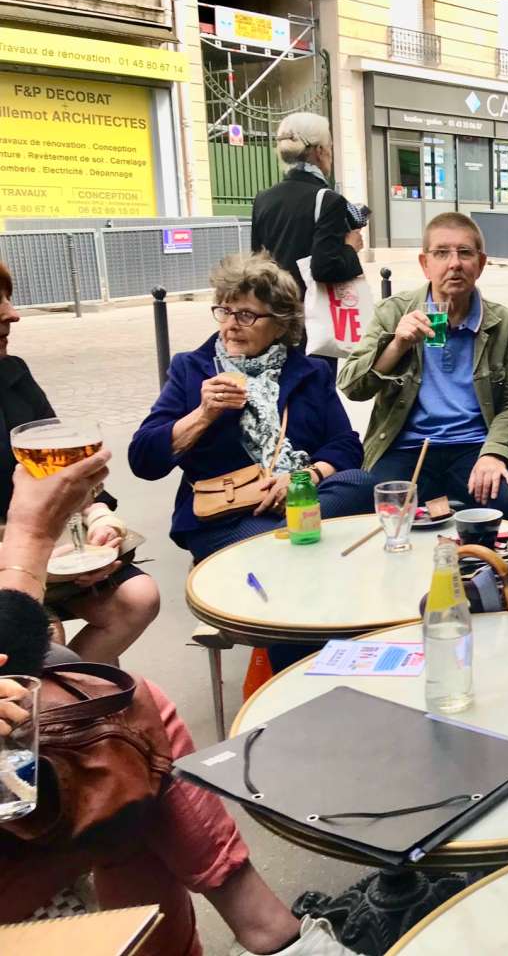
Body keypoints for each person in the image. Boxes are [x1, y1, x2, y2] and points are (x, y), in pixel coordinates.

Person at [0, 453, 358, 956]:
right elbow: (151, 455)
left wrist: (96, 520)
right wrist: (29, 539)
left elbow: (345, 449)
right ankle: (270, 930)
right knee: (124, 728)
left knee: (122, 751)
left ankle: (265, 930)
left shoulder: (19, 404)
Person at [129, 252, 370, 565]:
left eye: (246, 315)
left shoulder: (310, 372)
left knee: (363, 484)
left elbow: (345, 445)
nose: (231, 325)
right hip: (226, 514)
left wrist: (304, 478)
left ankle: (294, 535)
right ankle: (296, 539)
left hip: (302, 499)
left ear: (280, 324)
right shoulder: (191, 369)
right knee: (289, 544)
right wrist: (202, 415)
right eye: (224, 311)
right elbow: (143, 459)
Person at [339, 213, 508, 529]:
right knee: (367, 507)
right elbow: (352, 387)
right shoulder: (394, 312)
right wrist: (396, 346)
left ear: (481, 263)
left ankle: (491, 561)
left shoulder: (501, 322)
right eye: (442, 253)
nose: (454, 263)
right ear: (425, 264)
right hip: (406, 446)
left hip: (476, 445)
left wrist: (495, 453)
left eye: (465, 253)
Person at [0, 261, 159, 665]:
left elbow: (62, 466)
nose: (12, 314)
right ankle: (64, 690)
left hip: (43, 544)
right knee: (43, 635)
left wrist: (101, 521)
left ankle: (75, 688)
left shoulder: (12, 373)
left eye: (8, 298)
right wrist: (36, 556)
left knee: (138, 597)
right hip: (19, 555)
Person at [251, 112, 365, 363]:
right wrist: (350, 248)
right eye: (330, 147)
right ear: (320, 151)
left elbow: (257, 264)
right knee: (316, 383)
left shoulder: (263, 198)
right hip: (312, 323)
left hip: (274, 319)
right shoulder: (328, 200)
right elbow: (325, 268)